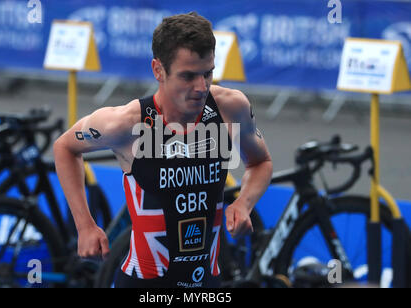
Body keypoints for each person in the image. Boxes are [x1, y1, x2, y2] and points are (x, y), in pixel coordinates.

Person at [53, 12, 272, 288]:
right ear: (158, 70)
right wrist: (85, 225)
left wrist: (244, 203)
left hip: (206, 284)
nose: (201, 87)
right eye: (188, 76)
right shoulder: (126, 123)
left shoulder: (230, 107)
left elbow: (260, 162)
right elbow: (65, 147)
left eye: (208, 73)